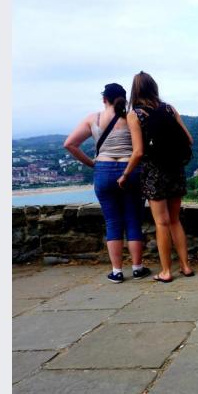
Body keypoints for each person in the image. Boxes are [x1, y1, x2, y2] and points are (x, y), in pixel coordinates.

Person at [63, 83, 151, 282]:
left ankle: (117, 271)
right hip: (131, 171)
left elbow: (70, 144)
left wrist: (92, 164)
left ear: (104, 99)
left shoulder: (93, 119)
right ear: (124, 98)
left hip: (104, 170)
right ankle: (137, 268)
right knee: (133, 220)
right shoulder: (132, 117)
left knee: (112, 221)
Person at [128, 71, 195, 282]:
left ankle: (166, 271)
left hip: (154, 172)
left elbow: (138, 152)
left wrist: (125, 174)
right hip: (175, 169)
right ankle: (185, 266)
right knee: (175, 220)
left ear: (135, 90)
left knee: (161, 223)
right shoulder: (169, 109)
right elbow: (189, 139)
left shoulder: (135, 115)